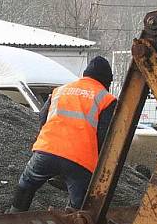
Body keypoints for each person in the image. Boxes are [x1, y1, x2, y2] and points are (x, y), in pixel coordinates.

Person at [9, 56, 117, 212]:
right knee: (79, 206)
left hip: (47, 151)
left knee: (27, 182)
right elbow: (104, 135)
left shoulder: (60, 91)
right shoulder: (106, 98)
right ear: (107, 80)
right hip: (80, 159)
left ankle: (13, 216)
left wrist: (47, 141)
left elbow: (43, 117)